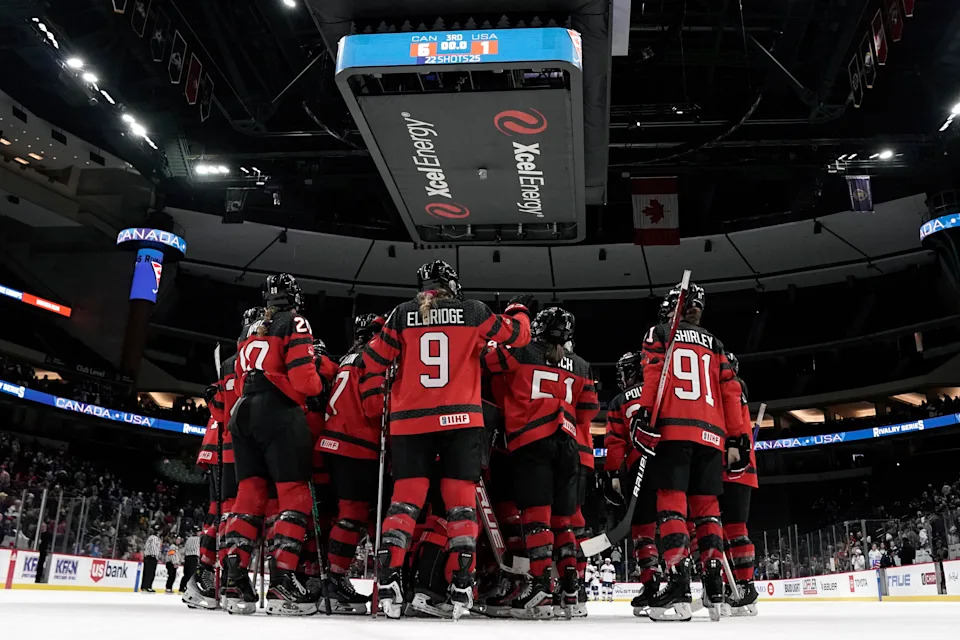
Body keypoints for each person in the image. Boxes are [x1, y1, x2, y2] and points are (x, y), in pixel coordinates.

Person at [361, 260, 532, 619]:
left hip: (409, 423)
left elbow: (373, 361)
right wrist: (518, 309)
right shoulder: (474, 311)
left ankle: (389, 576)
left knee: (405, 502)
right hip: (461, 420)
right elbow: (520, 337)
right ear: (452, 284)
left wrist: (386, 340)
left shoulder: (402, 313)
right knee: (460, 504)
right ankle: (461, 581)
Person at [634, 282, 749, 621]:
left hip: (674, 428)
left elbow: (654, 375)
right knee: (708, 510)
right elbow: (730, 391)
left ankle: (678, 585)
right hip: (712, 435)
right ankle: (715, 587)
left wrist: (646, 414)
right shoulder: (716, 344)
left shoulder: (660, 333)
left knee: (672, 506)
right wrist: (736, 439)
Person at [481, 307, 598, 619]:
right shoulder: (582, 365)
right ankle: (569, 588)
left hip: (532, 440)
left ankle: (541, 584)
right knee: (564, 519)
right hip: (569, 442)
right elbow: (587, 412)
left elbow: (487, 360)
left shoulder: (521, 351)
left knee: (536, 517)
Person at [223, 274, 328, 616]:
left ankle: (233, 580)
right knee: (294, 493)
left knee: (249, 494)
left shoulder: (250, 328)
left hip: (242, 410)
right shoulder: (295, 322)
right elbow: (304, 379)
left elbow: (239, 378)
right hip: (278, 411)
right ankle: (283, 581)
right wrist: (315, 387)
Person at [184, 310, 258, 611]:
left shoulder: (232, 362)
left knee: (224, 513)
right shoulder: (247, 363)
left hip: (224, 447)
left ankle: (214, 577)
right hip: (229, 448)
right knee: (225, 513)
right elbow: (223, 410)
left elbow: (219, 406)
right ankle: (207, 577)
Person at [318, 313, 385, 614]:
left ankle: (332, 578)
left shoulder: (347, 357)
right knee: (354, 513)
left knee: (349, 513)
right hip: (356, 444)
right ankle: (334, 580)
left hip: (331, 442)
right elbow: (373, 408)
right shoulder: (373, 358)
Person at [604, 350, 660, 615]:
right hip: (672, 462)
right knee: (680, 522)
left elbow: (615, 443)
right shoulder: (661, 391)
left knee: (643, 530)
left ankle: (652, 583)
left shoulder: (619, 401)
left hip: (640, 465)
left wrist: (613, 475)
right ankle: (701, 580)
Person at [719, 352, 760, 615]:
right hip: (741, 469)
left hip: (733, 468)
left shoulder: (732, 387)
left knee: (732, 529)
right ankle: (738, 586)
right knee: (729, 530)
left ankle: (744, 587)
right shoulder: (737, 388)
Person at [141, 527, 162, 593]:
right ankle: (147, 586)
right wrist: (156, 556)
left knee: (147, 572)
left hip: (148, 557)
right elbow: (154, 548)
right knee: (150, 573)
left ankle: (144, 586)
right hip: (152, 557)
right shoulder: (155, 538)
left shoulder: (150, 537)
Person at [180, 529, 200, 594]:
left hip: (187, 557)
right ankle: (189, 588)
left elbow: (185, 548)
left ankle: (182, 587)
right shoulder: (199, 539)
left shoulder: (189, 539)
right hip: (194, 557)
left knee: (186, 574)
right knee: (191, 574)